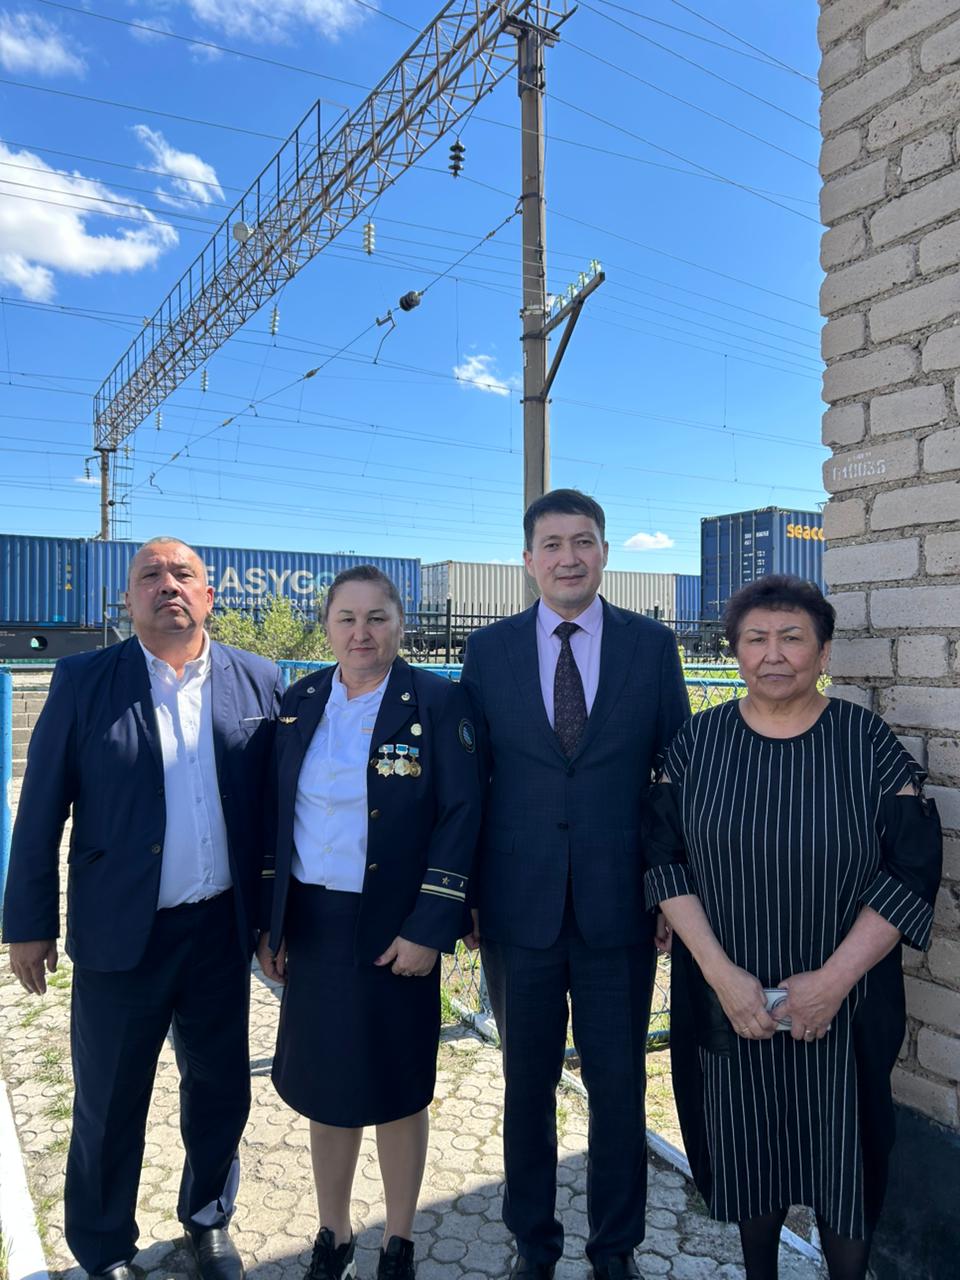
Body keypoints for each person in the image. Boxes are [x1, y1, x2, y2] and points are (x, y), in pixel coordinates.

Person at [643, 575, 943, 1280]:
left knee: (847, 1164)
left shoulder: (866, 743)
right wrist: (722, 977)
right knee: (748, 1154)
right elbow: (662, 858)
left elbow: (911, 868)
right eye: (755, 639)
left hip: (845, 1006)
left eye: (792, 638)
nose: (772, 654)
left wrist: (831, 983)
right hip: (730, 997)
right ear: (736, 651)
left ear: (824, 652)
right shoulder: (697, 743)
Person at [2, 536, 283, 1280]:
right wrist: (29, 924)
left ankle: (207, 1219)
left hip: (220, 931)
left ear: (209, 596)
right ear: (128, 599)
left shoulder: (258, 679)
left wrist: (275, 922)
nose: (168, 585)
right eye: (150, 575)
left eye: (183, 574)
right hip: (121, 935)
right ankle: (102, 1250)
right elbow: (40, 810)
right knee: (109, 1100)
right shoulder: (84, 681)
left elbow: (276, 812)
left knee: (220, 1090)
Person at [460, 489, 690, 1280]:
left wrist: (670, 889)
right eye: (552, 544)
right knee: (525, 1085)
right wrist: (467, 896)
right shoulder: (487, 651)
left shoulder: (650, 647)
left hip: (620, 909)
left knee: (618, 1086)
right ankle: (533, 1243)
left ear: (604, 553)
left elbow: (674, 779)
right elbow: (473, 782)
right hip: (516, 908)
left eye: (583, 542)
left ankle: (614, 1248)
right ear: (528, 559)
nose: (568, 557)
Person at [258, 564, 481, 1280]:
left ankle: (399, 1240)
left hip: (396, 925)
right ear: (327, 626)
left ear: (400, 625)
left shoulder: (437, 702)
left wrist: (429, 927)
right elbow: (274, 816)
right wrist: (272, 926)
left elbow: (461, 816)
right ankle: (334, 1232)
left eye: (377, 618)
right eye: (347, 618)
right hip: (314, 924)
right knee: (327, 1087)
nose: (362, 633)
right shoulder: (299, 701)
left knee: (397, 1086)